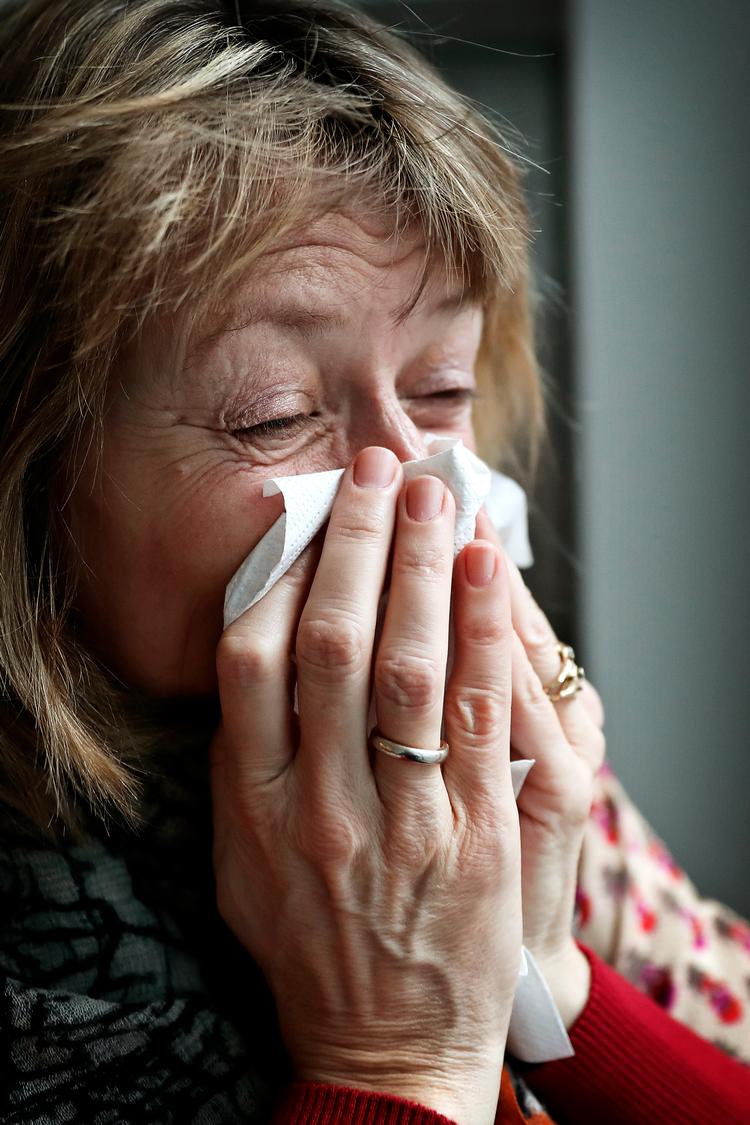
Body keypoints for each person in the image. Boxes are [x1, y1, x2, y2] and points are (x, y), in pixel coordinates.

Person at [0, 1, 748, 1122]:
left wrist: (544, 971)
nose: (409, 486)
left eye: (443, 391)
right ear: (30, 465)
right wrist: (395, 1061)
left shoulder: (479, 763)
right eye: (273, 415)